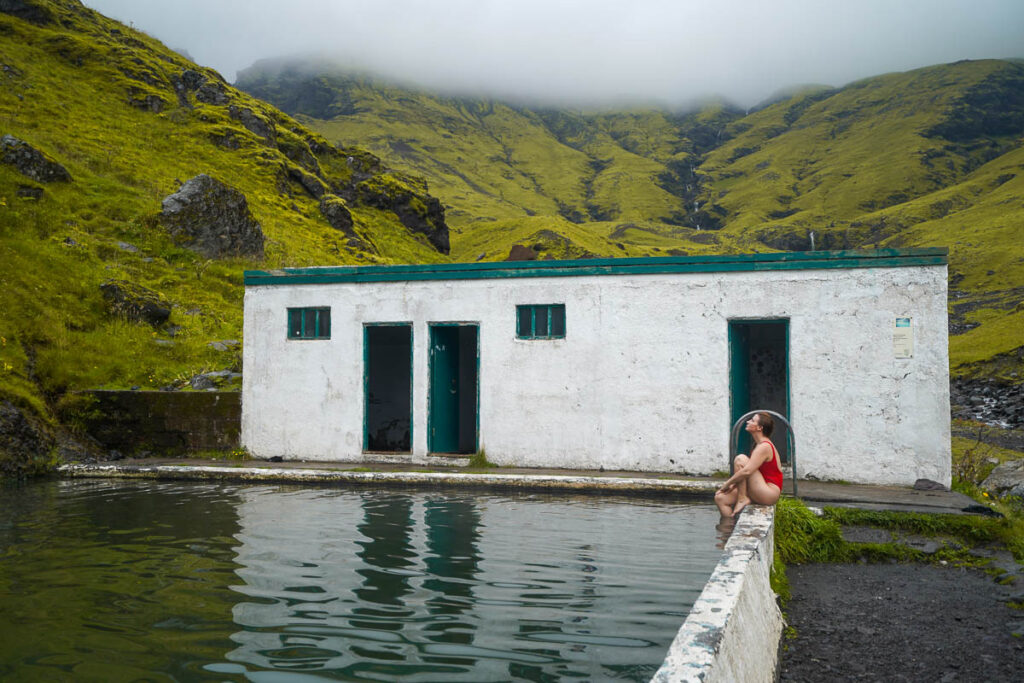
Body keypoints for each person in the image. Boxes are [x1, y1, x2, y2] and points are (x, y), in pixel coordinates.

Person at [715, 412, 782, 517]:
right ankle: (729, 529)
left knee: (740, 459)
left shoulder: (765, 446)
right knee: (721, 498)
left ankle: (742, 498)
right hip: (758, 488)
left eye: (752, 421)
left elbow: (747, 471)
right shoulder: (758, 444)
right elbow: (749, 473)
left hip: (768, 493)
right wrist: (734, 484)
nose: (748, 421)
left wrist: (727, 484)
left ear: (759, 427)